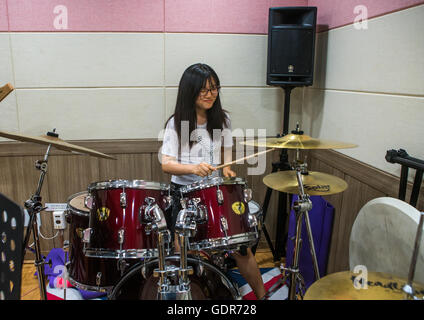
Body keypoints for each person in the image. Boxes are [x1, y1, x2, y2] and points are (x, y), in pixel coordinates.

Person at [161, 63, 266, 300]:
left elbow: (227, 149)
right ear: (190, 91)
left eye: (214, 88)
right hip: (183, 193)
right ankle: (192, 295)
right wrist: (193, 168)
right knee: (183, 250)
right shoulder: (175, 123)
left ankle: (262, 296)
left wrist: (227, 168)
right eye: (204, 90)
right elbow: (166, 164)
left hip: (214, 191)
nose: (211, 94)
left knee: (241, 248)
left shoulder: (222, 118)